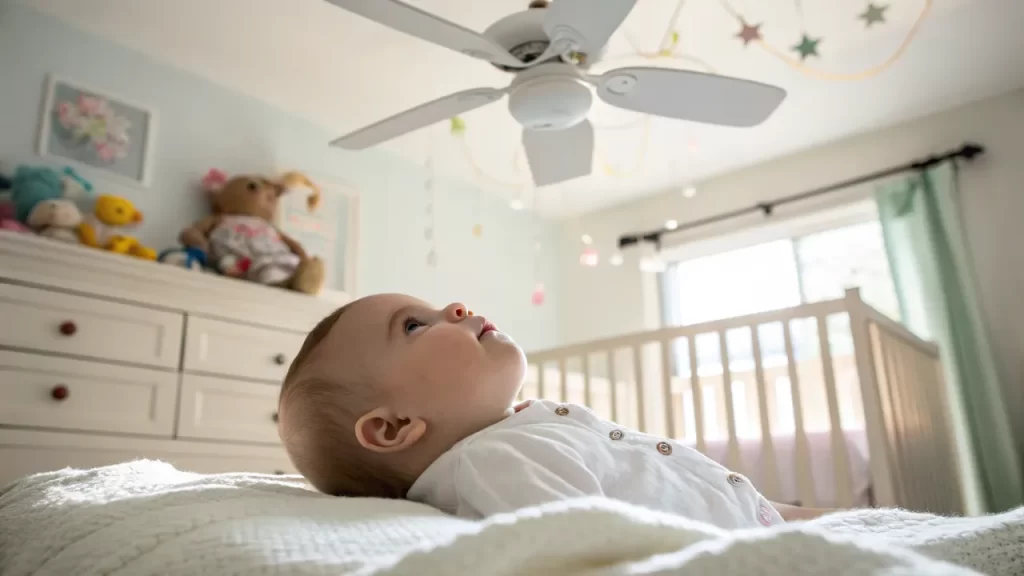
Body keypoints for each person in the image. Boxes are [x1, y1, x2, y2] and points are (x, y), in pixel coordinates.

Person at [277, 294, 834, 528]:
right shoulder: (498, 463)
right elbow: (588, 547)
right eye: (415, 326)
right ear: (394, 426)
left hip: (758, 522)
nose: (454, 306)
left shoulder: (516, 434)